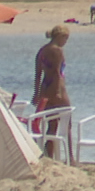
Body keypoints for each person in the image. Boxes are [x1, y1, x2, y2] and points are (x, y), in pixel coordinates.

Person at [31, 24, 72, 158]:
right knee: (67, 124)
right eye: (66, 39)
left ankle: (49, 155)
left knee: (51, 126)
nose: (66, 42)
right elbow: (56, 74)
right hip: (58, 90)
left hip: (45, 90)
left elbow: (38, 74)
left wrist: (36, 93)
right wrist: (59, 92)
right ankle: (70, 157)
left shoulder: (42, 51)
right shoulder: (57, 51)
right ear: (61, 37)